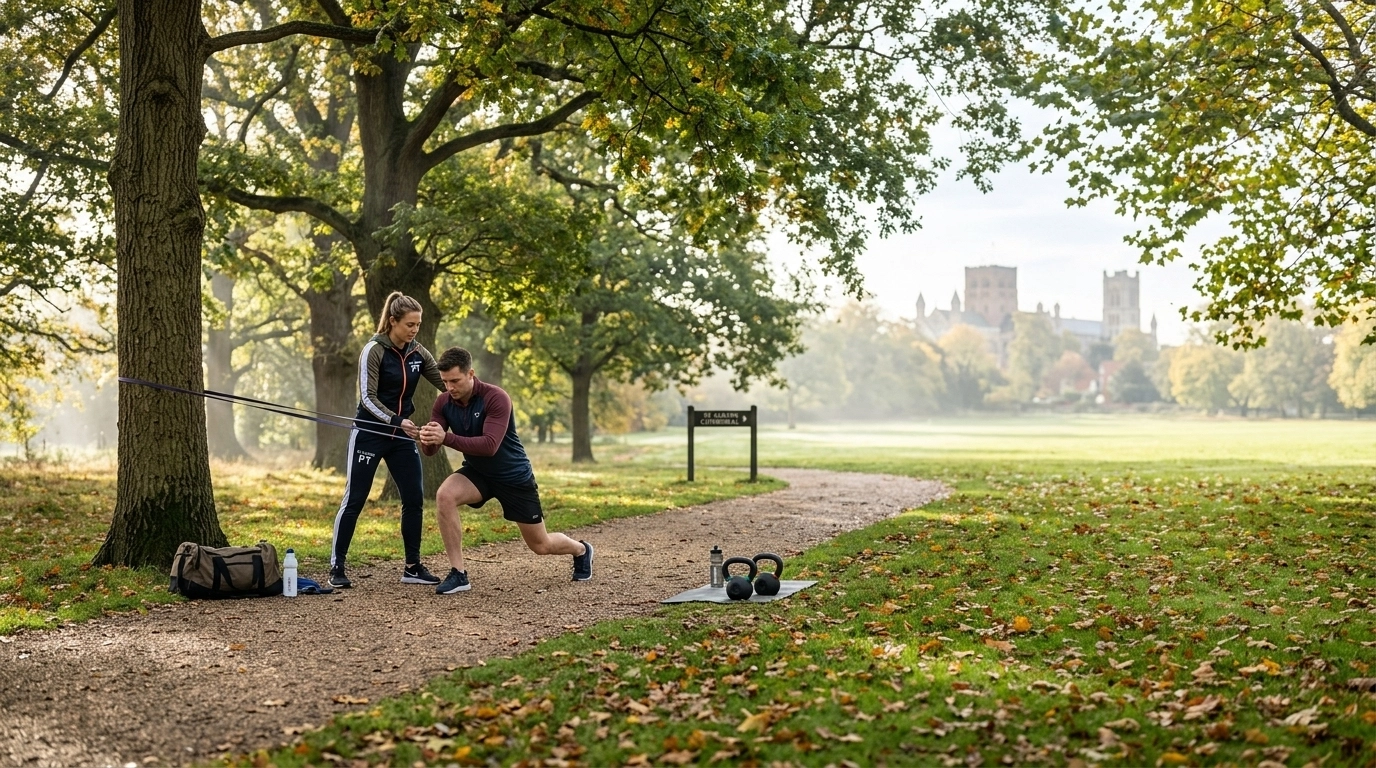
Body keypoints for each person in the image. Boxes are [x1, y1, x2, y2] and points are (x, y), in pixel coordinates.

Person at [418, 346, 593, 593]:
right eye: (445, 382)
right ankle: (459, 574)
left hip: (513, 476)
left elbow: (490, 445)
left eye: (455, 380)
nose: (450, 387)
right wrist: (426, 438)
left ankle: (581, 549)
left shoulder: (496, 397)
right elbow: (431, 450)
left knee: (540, 545)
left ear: (471, 374)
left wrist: (444, 438)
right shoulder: (444, 402)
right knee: (444, 495)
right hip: (478, 473)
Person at [329, 292, 445, 589]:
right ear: (392, 321)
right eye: (409, 324)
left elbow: (445, 382)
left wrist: (474, 390)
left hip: (401, 437)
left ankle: (412, 567)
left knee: (414, 498)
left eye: (418, 324)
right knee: (355, 499)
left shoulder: (418, 352)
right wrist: (396, 420)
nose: (414, 330)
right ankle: (337, 566)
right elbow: (367, 398)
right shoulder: (374, 349)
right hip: (371, 433)